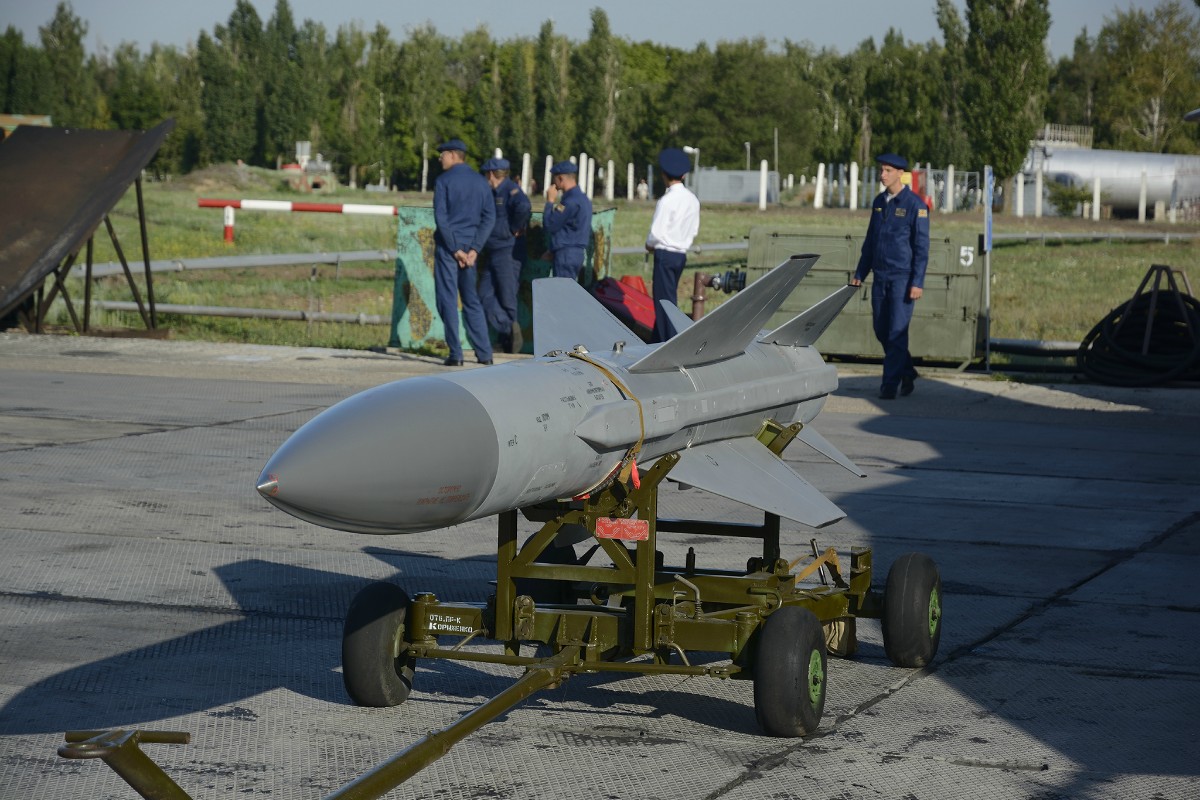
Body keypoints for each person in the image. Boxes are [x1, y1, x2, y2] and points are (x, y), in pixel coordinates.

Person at [850, 153, 930, 399]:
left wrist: (917, 282)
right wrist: (860, 273)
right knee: (881, 329)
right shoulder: (879, 202)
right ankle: (906, 371)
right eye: (881, 170)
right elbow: (870, 242)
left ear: (899, 173)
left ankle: (889, 386)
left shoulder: (916, 206)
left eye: (886, 170)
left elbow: (921, 247)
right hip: (881, 277)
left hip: (902, 279)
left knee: (896, 331)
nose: (882, 174)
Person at [433, 138, 495, 366]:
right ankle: (485, 354)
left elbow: (441, 217)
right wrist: (474, 249)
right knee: (471, 301)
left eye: (442, 154)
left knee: (447, 300)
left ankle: (456, 354)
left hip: (449, 251)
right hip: (470, 253)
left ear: (452, 155)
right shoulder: (481, 183)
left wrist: (454, 248)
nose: (440, 158)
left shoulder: (443, 181)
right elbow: (489, 217)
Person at [645, 147, 700, 343]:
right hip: (680, 255)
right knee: (668, 299)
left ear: (663, 175)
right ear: (684, 175)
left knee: (664, 304)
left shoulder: (667, 200)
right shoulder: (692, 200)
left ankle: (669, 343)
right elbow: (693, 231)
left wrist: (649, 245)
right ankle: (656, 340)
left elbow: (656, 234)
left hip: (664, 254)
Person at [479, 157, 532, 353]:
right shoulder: (493, 192)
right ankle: (507, 329)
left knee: (507, 296)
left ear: (492, 174)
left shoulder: (511, 190)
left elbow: (524, 207)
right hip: (493, 250)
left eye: (486, 174)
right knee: (484, 295)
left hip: (508, 251)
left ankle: (509, 341)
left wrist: (514, 228)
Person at [542, 161, 592, 280]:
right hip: (575, 253)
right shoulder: (583, 199)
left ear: (560, 178)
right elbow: (567, 228)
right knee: (567, 292)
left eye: (554, 179)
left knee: (562, 294)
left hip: (565, 254)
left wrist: (549, 201)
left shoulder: (569, 202)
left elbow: (550, 225)